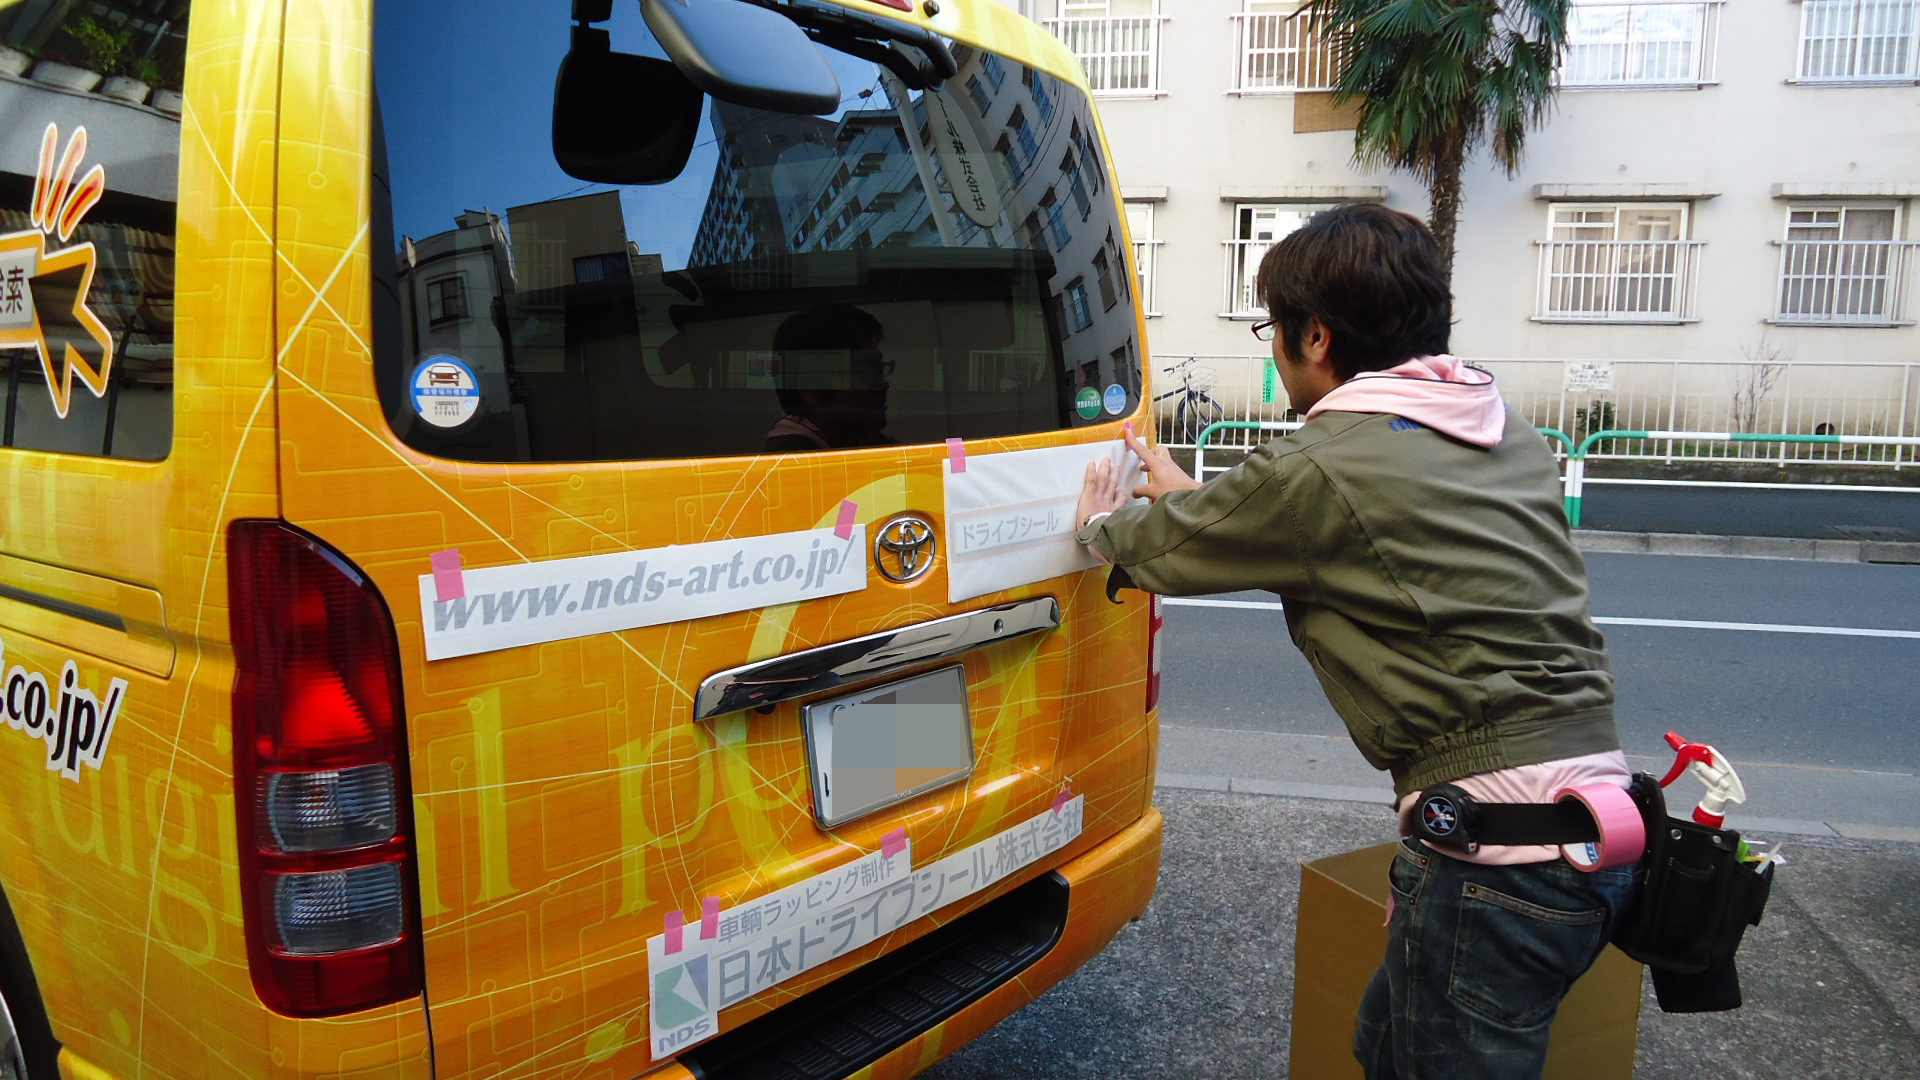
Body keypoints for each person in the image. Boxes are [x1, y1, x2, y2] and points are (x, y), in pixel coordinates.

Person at [1073, 203, 1636, 1079]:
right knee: (1387, 1044)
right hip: (1594, 830)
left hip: (1499, 862)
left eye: (1274, 329)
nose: (1273, 350)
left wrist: (1098, 526)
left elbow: (1170, 549)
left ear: (1317, 337)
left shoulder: (1322, 464)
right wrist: (1189, 492)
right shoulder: (1501, 430)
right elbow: (1333, 527)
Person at [763, 303, 895, 452]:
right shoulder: (792, 461)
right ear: (810, 388)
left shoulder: (860, 437)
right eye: (864, 372)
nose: (883, 384)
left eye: (880, 368)